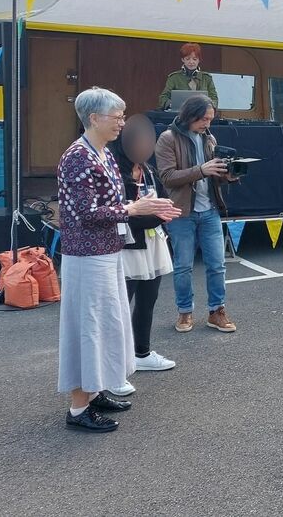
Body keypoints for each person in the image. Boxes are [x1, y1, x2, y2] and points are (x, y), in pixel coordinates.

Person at [58, 87, 179, 433]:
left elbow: (111, 206)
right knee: (90, 328)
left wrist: (148, 207)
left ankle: (94, 392)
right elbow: (86, 212)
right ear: (94, 118)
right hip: (87, 256)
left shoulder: (104, 153)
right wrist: (133, 208)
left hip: (108, 251)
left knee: (107, 325)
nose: (123, 123)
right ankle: (78, 409)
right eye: (117, 117)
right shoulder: (78, 157)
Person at [155, 95, 238, 334]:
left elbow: (214, 175)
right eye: (203, 119)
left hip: (209, 209)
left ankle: (217, 311)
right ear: (189, 115)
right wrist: (201, 170)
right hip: (181, 212)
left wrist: (227, 175)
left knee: (217, 265)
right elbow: (168, 177)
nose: (207, 124)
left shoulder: (209, 138)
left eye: (210, 119)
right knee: (183, 266)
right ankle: (184, 312)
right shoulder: (167, 138)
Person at [109, 116, 178, 398]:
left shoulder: (148, 170)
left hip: (152, 245)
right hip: (127, 248)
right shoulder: (116, 173)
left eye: (148, 142)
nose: (144, 148)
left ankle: (142, 352)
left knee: (148, 301)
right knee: (119, 308)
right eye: (138, 143)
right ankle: (113, 368)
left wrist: (164, 211)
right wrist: (154, 216)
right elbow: (121, 215)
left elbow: (161, 200)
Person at [158, 43, 219, 110]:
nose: (191, 62)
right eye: (187, 59)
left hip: (201, 115)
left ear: (199, 60)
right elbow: (163, 97)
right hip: (180, 114)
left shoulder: (207, 78)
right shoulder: (174, 78)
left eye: (194, 59)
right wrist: (172, 104)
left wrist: (209, 106)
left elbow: (214, 99)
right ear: (182, 59)